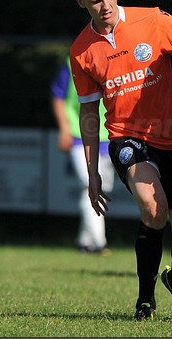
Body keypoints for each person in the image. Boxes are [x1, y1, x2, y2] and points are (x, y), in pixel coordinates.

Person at [69, 0, 172, 321]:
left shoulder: (153, 21)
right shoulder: (81, 51)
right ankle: (145, 300)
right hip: (126, 137)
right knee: (152, 205)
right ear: (80, 2)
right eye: (96, 1)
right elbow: (87, 115)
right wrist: (93, 173)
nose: (106, 6)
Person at [51, 60, 115, 255]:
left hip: (110, 134)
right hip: (80, 135)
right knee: (90, 185)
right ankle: (98, 243)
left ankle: (84, 241)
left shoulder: (117, 55)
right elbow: (58, 96)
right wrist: (64, 128)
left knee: (102, 188)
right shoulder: (71, 63)